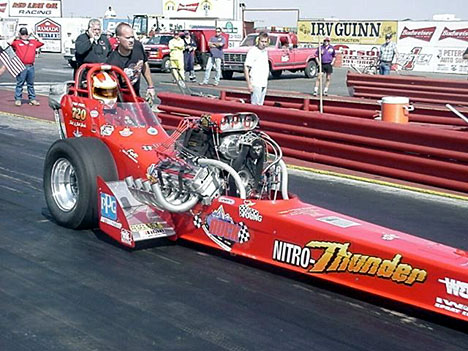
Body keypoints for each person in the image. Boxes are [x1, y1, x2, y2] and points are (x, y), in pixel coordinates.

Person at [106, 22, 155, 101]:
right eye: (128, 38)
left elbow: (144, 64)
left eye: (132, 37)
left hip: (135, 95)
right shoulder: (113, 61)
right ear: (118, 39)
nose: (131, 41)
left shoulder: (138, 46)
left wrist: (150, 86)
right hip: (120, 100)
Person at [9, 27, 44, 106]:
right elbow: (9, 42)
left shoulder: (33, 42)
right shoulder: (17, 42)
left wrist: (34, 35)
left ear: (28, 35)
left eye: (26, 34)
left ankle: (32, 99)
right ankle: (18, 99)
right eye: (22, 34)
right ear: (20, 34)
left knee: (30, 84)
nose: (24, 35)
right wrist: (15, 36)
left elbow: (42, 42)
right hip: (21, 66)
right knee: (20, 83)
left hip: (31, 66)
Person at [244, 32, 269, 106]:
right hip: (255, 83)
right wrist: (249, 84)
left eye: (265, 42)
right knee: (255, 106)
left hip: (264, 82)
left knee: (260, 105)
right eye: (262, 41)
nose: (263, 44)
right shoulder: (253, 51)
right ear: (258, 40)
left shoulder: (265, 51)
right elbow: (246, 67)